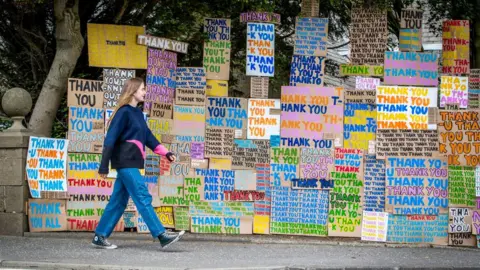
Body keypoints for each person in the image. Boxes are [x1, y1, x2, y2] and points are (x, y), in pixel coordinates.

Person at [92, 77, 184, 249]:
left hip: (132, 163)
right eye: (142, 89)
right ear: (133, 91)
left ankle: (100, 236)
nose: (144, 92)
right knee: (142, 196)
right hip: (126, 162)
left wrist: (166, 153)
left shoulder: (138, 114)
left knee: (118, 201)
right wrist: (104, 166)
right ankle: (161, 234)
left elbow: (149, 137)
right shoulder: (123, 112)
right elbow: (110, 140)